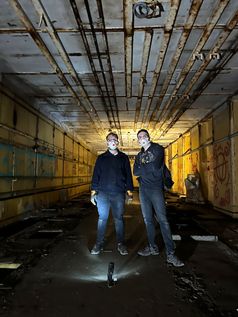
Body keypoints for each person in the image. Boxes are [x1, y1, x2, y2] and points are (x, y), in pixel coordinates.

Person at [133, 129, 184, 267]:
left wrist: (144, 167)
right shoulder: (139, 155)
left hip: (156, 189)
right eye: (139, 137)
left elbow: (155, 166)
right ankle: (152, 247)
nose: (142, 138)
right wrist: (146, 167)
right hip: (143, 190)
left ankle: (171, 254)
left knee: (163, 220)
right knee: (148, 220)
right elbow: (135, 172)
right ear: (138, 140)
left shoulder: (158, 149)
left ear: (149, 137)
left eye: (144, 136)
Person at [90, 132, 133, 255]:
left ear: (118, 142)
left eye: (115, 139)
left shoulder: (123, 158)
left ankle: (121, 244)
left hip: (118, 194)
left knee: (119, 219)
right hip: (102, 194)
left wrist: (129, 193)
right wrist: (93, 193)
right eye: (110, 140)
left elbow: (128, 176)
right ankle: (98, 243)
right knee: (102, 219)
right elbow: (96, 176)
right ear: (107, 142)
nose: (113, 141)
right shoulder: (101, 158)